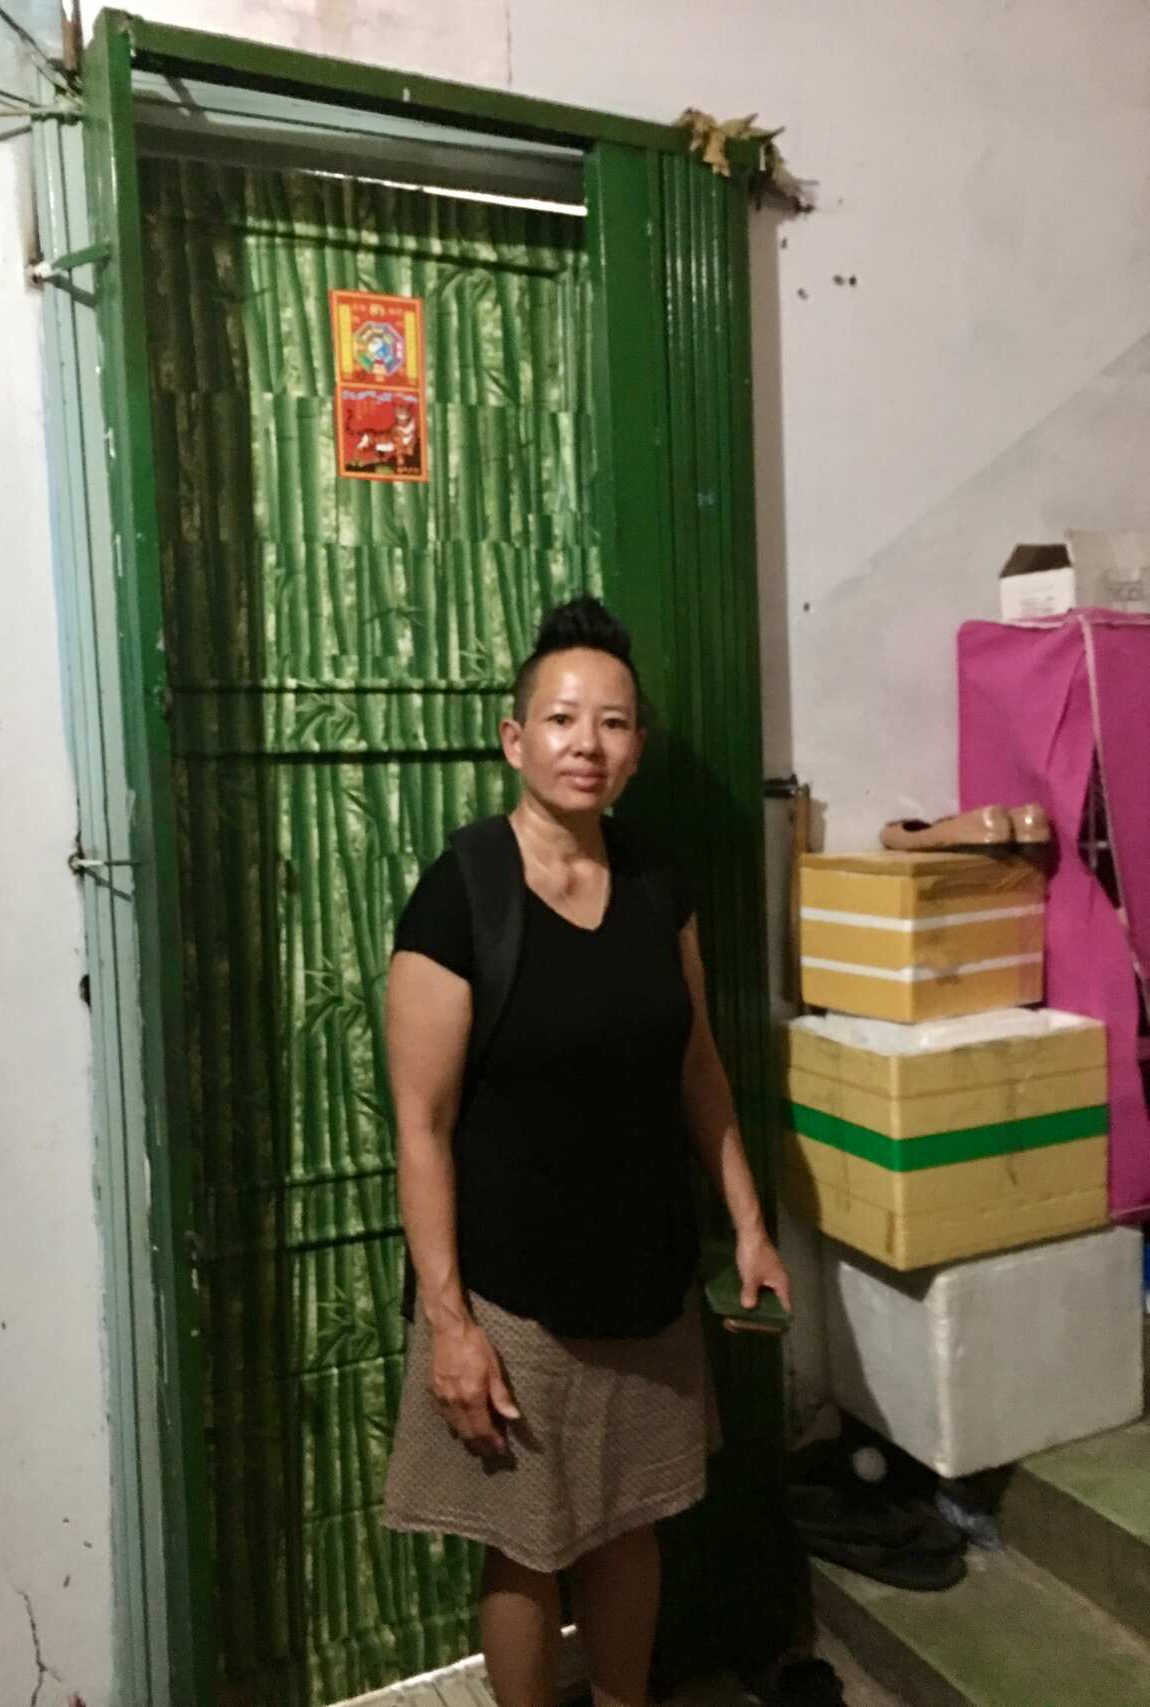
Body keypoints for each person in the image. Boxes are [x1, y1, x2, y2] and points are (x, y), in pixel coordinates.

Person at [382, 597, 792, 1707]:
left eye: (612, 724)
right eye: (561, 720)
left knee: (630, 1524)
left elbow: (696, 1066)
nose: (587, 744)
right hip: (516, 1300)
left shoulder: (658, 886)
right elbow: (418, 1124)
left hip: (648, 1283)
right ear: (515, 740)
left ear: (636, 748)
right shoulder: (463, 891)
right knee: (524, 1545)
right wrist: (450, 1324)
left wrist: (748, 1225)